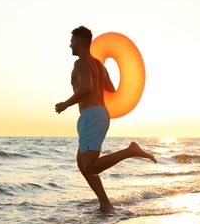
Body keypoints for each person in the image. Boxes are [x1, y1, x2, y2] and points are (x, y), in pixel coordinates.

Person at [55, 26, 157, 212]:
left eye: (71, 42)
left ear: (79, 43)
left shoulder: (81, 63)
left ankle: (130, 151)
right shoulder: (100, 66)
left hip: (91, 115)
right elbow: (110, 89)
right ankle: (105, 203)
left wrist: (65, 104)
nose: (69, 45)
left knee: (91, 166)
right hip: (101, 113)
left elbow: (86, 88)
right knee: (82, 163)